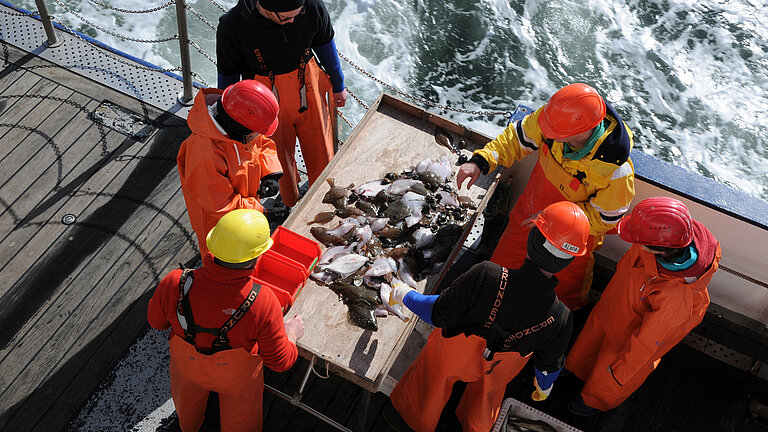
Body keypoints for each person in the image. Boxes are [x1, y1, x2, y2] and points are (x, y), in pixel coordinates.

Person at [383, 201, 591, 432]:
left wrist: (404, 295)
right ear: (569, 260)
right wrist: (544, 387)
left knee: (432, 382)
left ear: (532, 240)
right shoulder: (561, 319)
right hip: (498, 368)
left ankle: (414, 421)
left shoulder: (487, 275)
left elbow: (436, 313)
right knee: (486, 398)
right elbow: (548, 366)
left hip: (454, 354)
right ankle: (477, 426)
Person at [456, 83, 635, 310]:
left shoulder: (617, 172)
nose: (550, 135)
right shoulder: (555, 119)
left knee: (558, 301)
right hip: (527, 219)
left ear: (581, 131)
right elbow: (516, 139)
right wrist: (480, 161)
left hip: (570, 243)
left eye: (557, 135)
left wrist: (553, 220)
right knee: (499, 273)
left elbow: (605, 219)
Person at [148, 209, 305, 431]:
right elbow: (280, 362)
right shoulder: (262, 301)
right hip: (235, 379)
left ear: (214, 245)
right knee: (241, 422)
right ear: (257, 256)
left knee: (188, 415)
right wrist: (291, 334)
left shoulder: (175, 281)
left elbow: (156, 322)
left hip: (186, 369)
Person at [565, 197, 720, 416]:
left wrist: (619, 372)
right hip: (611, 308)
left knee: (610, 371)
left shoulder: (676, 298)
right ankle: (576, 368)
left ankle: (595, 400)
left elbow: (646, 344)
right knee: (587, 344)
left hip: (627, 339)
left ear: (658, 250)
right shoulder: (669, 240)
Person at [216, 0, 347, 208]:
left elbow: (325, 43)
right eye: (287, 18)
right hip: (264, 102)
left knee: (322, 149)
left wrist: (339, 85)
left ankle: (323, 195)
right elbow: (228, 75)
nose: (294, 20)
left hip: (309, 87)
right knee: (278, 158)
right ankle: (290, 203)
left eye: (298, 13)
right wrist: (229, 122)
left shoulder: (310, 6)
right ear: (267, 7)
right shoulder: (232, 25)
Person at [177, 79, 284, 257]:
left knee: (244, 252)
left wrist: (270, 173)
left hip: (244, 207)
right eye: (256, 131)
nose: (258, 135)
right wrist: (262, 211)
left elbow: (263, 143)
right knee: (218, 257)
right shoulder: (205, 153)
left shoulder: (239, 124)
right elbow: (219, 204)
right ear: (241, 129)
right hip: (216, 222)